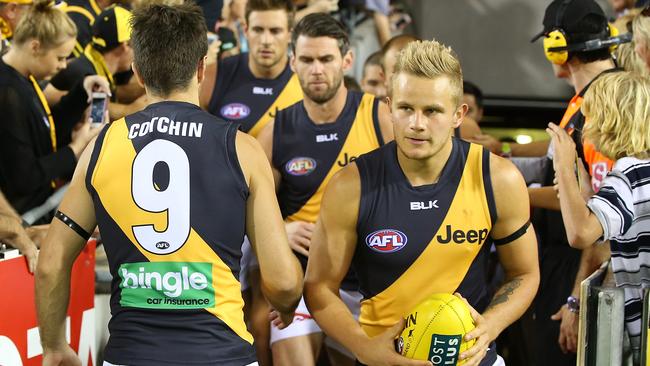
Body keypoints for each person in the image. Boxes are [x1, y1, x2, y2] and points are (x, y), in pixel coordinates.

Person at [35, 3, 303, 365]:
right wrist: (286, 308)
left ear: (138, 73)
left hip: (132, 353)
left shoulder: (102, 146)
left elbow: (51, 262)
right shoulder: (243, 149)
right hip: (221, 354)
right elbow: (283, 283)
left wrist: (53, 347)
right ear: (201, 68)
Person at [304, 39, 539, 366]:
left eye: (432, 111)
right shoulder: (351, 185)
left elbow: (525, 273)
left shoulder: (498, 178)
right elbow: (319, 289)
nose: (417, 123)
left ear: (459, 114)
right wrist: (362, 347)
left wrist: (492, 325)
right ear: (389, 107)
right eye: (406, 109)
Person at [256, 12, 393, 366]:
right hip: (305, 279)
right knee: (288, 348)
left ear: (347, 60)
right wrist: (280, 230)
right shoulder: (276, 131)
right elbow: (247, 203)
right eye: (307, 60)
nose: (317, 69)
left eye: (326, 59)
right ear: (293, 63)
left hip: (369, 280)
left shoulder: (381, 118)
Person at [525, 1, 631, 362]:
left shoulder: (607, 107)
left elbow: (601, 221)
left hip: (584, 273)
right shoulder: (590, 98)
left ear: (557, 48)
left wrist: (577, 299)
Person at [548, 70, 650, 362]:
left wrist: (564, 166)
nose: (585, 128)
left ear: (608, 120)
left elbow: (580, 233)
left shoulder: (630, 172)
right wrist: (583, 189)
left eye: (589, 117)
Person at [0, 0, 109, 220]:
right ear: (35, 47)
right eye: (60, 58)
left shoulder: (22, 78)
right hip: (25, 215)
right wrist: (76, 148)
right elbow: (25, 178)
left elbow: (43, 128)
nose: (64, 66)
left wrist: (82, 90)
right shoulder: (8, 94)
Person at [199, 0, 303, 138]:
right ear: (246, 31)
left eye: (275, 31)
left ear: (290, 35)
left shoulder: (306, 81)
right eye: (258, 30)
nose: (266, 40)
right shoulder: (213, 75)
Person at [45, 5, 146, 118]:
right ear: (125, 46)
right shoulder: (83, 74)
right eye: (137, 46)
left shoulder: (93, 63)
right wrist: (127, 111)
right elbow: (95, 118)